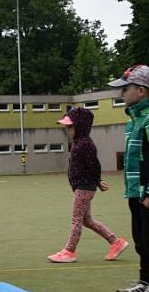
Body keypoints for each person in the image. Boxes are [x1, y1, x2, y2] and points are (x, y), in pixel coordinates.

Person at [47, 107, 127, 264]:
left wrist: (97, 181)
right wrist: (96, 181)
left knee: (76, 219)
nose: (67, 130)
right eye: (66, 127)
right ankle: (116, 242)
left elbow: (94, 165)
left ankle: (69, 251)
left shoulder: (84, 144)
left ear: (80, 126)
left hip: (84, 187)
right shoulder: (79, 143)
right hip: (83, 186)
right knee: (86, 220)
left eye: (70, 127)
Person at [109, 65, 149, 292]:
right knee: (142, 239)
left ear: (142, 91)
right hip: (135, 190)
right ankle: (145, 281)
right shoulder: (133, 120)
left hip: (147, 190)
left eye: (125, 89)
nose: (121, 94)